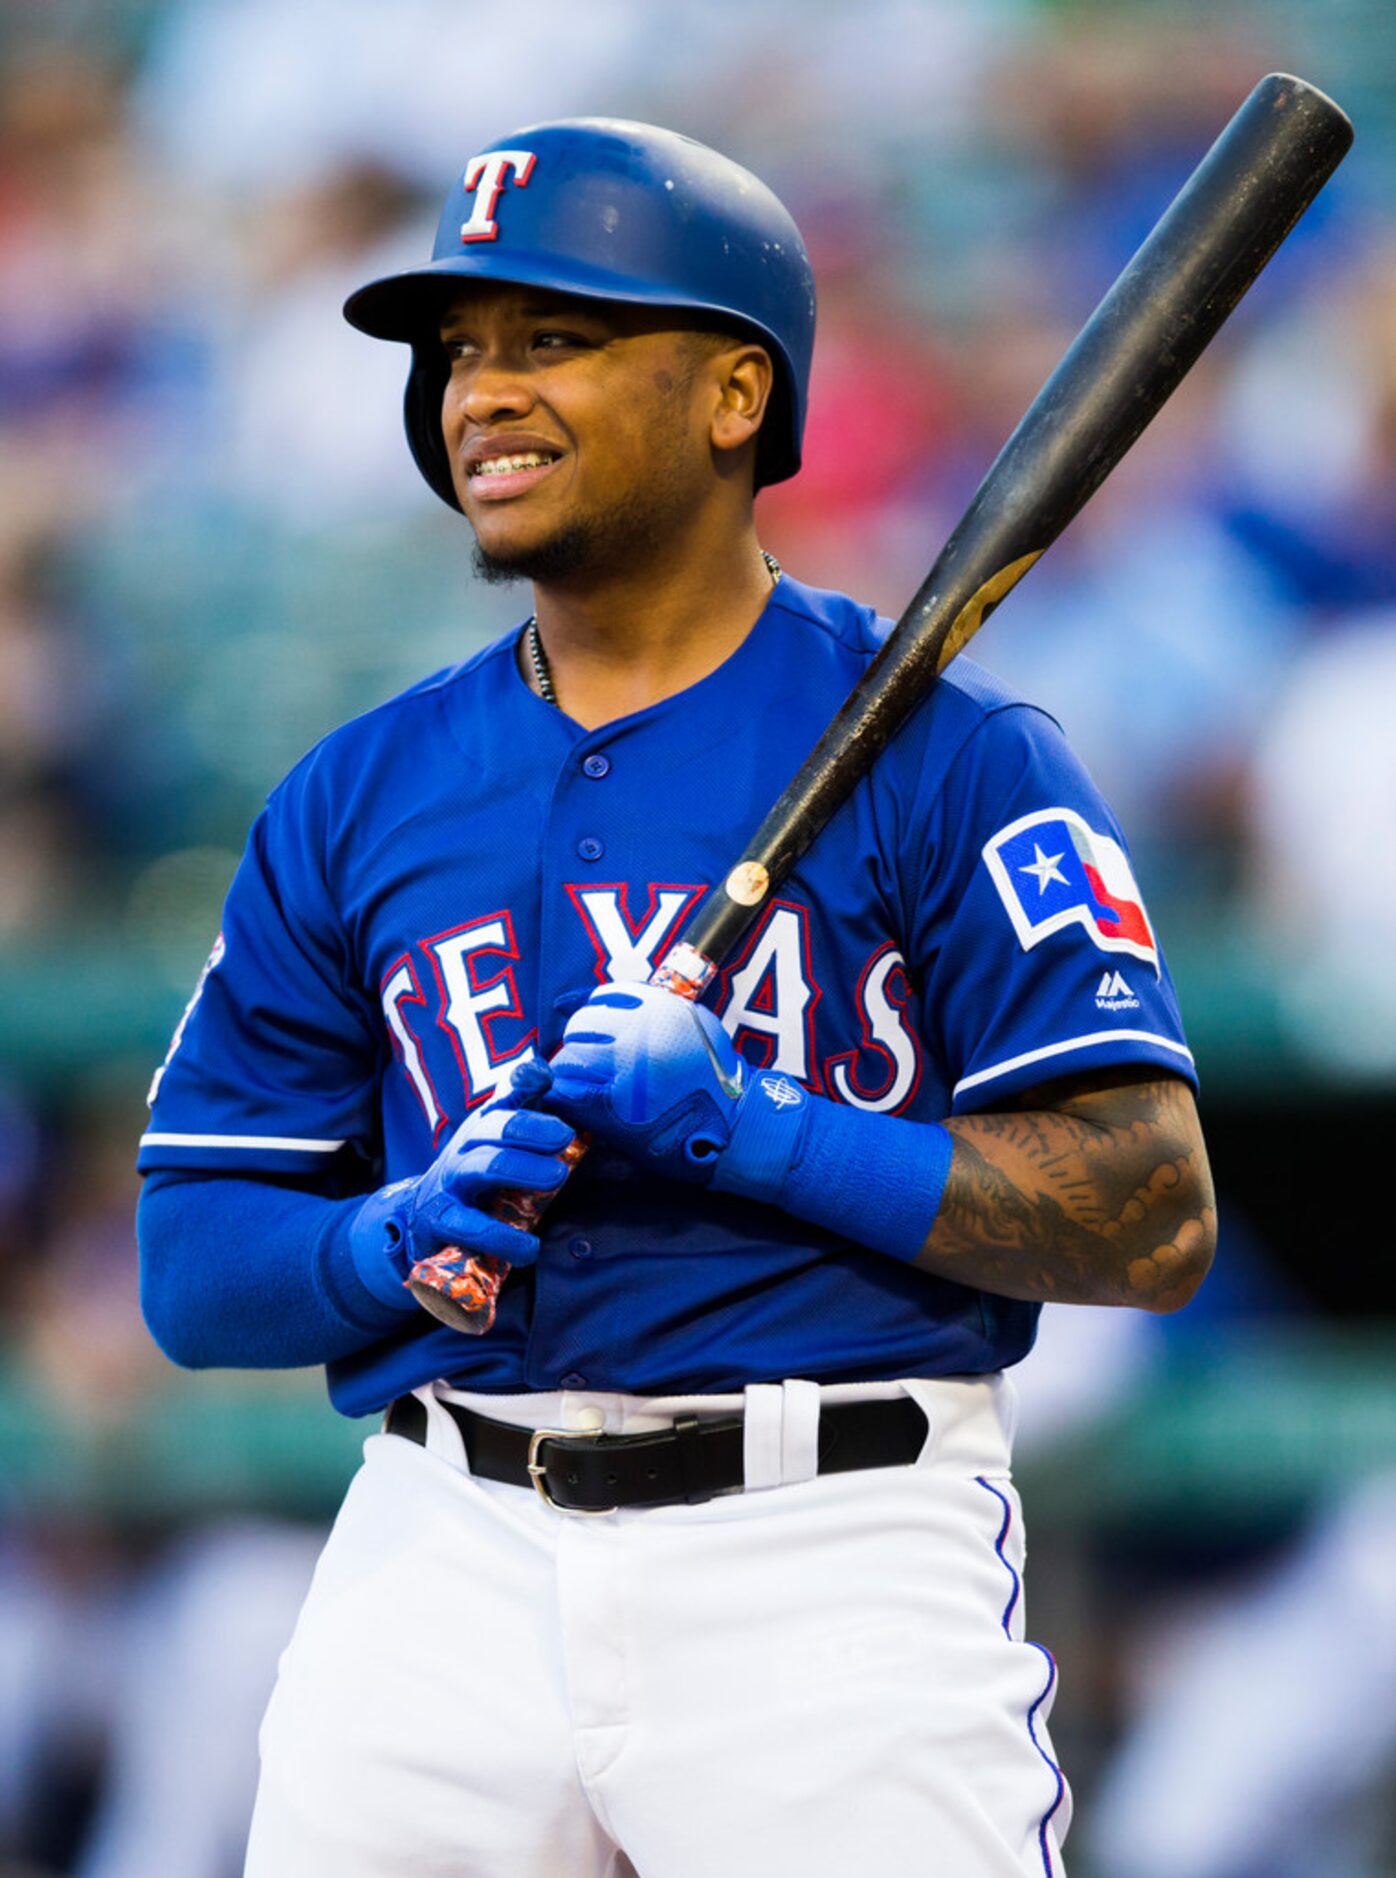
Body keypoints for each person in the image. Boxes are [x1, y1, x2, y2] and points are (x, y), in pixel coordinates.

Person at [135, 118, 1215, 1878]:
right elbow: (190, 1251)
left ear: (734, 394)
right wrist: (385, 1240)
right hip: (443, 1533)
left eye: (550, 338)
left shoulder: (959, 759)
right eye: (459, 350)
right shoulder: (357, 790)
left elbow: (1152, 1208)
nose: (480, 391)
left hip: (832, 1542)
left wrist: (756, 1130)